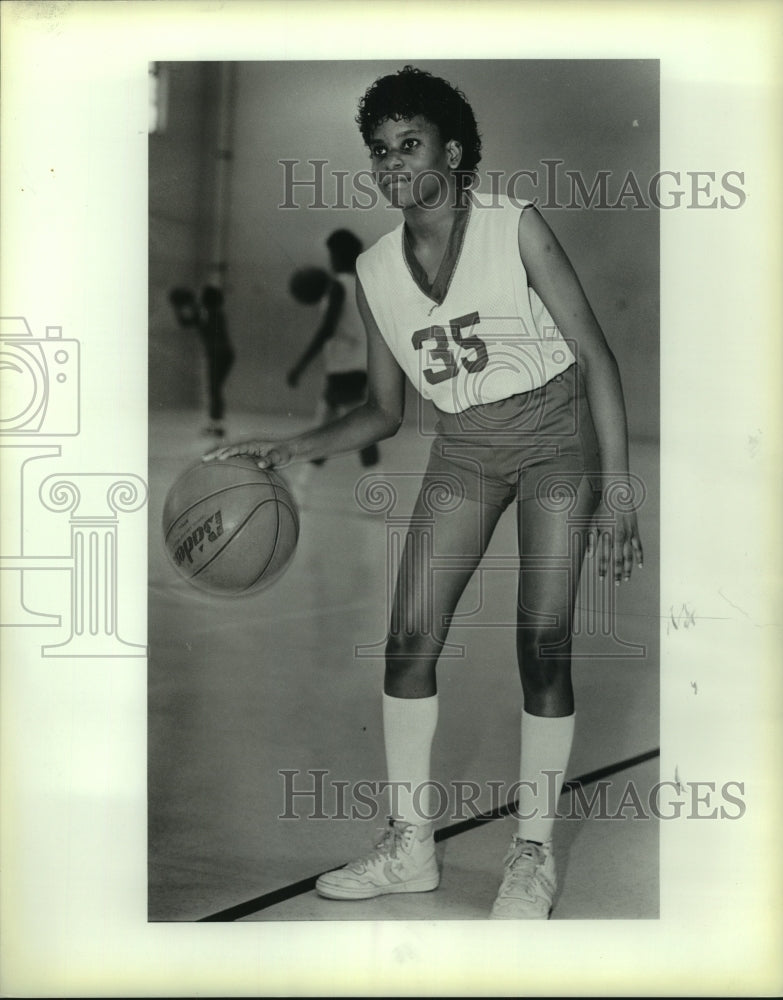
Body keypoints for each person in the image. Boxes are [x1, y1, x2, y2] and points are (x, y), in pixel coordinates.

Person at [206, 66, 643, 919]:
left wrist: (618, 489)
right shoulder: (373, 272)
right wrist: (289, 448)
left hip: (555, 440)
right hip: (465, 451)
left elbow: (596, 356)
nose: (393, 165)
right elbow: (380, 410)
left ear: (452, 149)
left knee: (542, 646)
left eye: (410, 145)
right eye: (380, 152)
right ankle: (410, 845)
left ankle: (531, 852)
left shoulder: (513, 224)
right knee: (408, 642)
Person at [287, 230, 379, 468]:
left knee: (355, 432)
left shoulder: (339, 287)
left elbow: (327, 329)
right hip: (357, 362)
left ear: (336, 256)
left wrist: (300, 365)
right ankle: (308, 482)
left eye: (331, 254)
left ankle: (377, 484)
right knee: (326, 426)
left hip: (345, 364)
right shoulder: (363, 283)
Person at [168, 284, 235, 437]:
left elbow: (186, 322)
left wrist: (179, 307)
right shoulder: (217, 312)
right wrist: (188, 304)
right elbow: (190, 321)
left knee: (214, 389)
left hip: (217, 354)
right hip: (226, 354)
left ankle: (217, 425)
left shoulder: (207, 313)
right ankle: (217, 424)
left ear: (205, 299)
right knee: (215, 389)